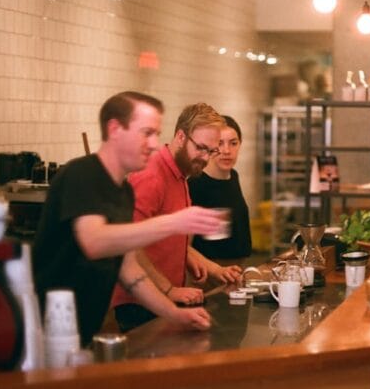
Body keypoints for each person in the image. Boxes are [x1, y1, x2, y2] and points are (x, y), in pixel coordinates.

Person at [32, 91, 224, 346]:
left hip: (82, 329)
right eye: (147, 133)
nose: (154, 144)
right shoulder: (82, 173)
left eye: (156, 134)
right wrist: (173, 222)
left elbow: (130, 269)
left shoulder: (123, 192)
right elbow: (94, 241)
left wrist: (174, 314)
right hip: (44, 327)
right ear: (115, 129)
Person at [111, 103, 242, 332]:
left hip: (165, 298)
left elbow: (168, 236)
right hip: (140, 302)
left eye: (211, 151)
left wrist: (213, 269)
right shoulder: (152, 176)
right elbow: (129, 245)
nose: (205, 157)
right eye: (201, 148)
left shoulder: (181, 174)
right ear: (181, 136)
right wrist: (168, 289)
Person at [189, 115, 252, 261]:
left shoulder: (233, 176)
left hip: (238, 265)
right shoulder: (195, 184)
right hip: (210, 270)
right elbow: (185, 247)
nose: (226, 151)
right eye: (219, 143)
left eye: (233, 143)